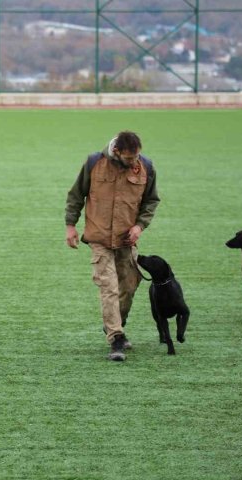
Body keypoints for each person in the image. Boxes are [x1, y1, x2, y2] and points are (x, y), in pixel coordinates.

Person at [65, 131, 160, 362]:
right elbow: (76, 195)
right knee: (109, 287)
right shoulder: (93, 163)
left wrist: (139, 226)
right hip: (99, 238)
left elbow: (151, 201)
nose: (134, 162)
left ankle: (116, 323)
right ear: (116, 151)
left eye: (137, 156)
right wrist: (70, 225)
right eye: (129, 158)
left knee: (129, 286)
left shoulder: (146, 166)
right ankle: (116, 338)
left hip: (127, 240)